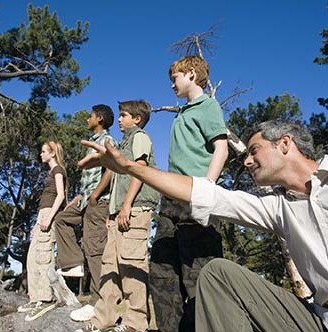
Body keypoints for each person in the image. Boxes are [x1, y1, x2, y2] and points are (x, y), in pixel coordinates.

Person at [78, 120, 328, 332]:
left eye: (254, 150)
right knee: (218, 274)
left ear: (284, 144)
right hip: (317, 319)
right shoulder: (277, 208)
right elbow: (206, 195)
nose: (247, 161)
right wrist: (130, 168)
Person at [150, 55, 228, 331]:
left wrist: (207, 187)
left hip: (196, 193)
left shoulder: (208, 106)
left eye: (176, 77)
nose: (172, 83)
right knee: (162, 269)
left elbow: (222, 148)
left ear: (192, 74)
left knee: (199, 273)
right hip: (170, 198)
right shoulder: (182, 113)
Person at [76, 100, 159, 332]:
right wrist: (112, 212)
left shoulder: (140, 137)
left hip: (135, 210)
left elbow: (139, 172)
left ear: (137, 119)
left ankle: (135, 324)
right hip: (117, 214)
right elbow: (117, 180)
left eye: (123, 115)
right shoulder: (121, 144)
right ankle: (103, 320)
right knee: (109, 268)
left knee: (131, 266)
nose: (119, 119)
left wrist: (126, 206)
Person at [54, 104, 117, 322]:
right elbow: (88, 178)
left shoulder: (107, 141)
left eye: (90, 116)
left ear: (99, 118)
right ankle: (73, 264)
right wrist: (80, 197)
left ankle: (98, 303)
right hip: (85, 200)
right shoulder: (94, 143)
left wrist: (95, 195)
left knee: (94, 249)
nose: (86, 119)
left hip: (98, 202)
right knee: (61, 220)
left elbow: (112, 168)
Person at [18, 141, 67, 321]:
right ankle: (35, 298)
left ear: (52, 153)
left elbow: (60, 195)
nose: (41, 154)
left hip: (50, 215)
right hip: (42, 216)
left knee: (43, 257)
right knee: (32, 258)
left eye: (43, 151)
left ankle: (46, 298)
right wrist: (36, 223)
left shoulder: (58, 170)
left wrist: (48, 218)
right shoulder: (50, 173)